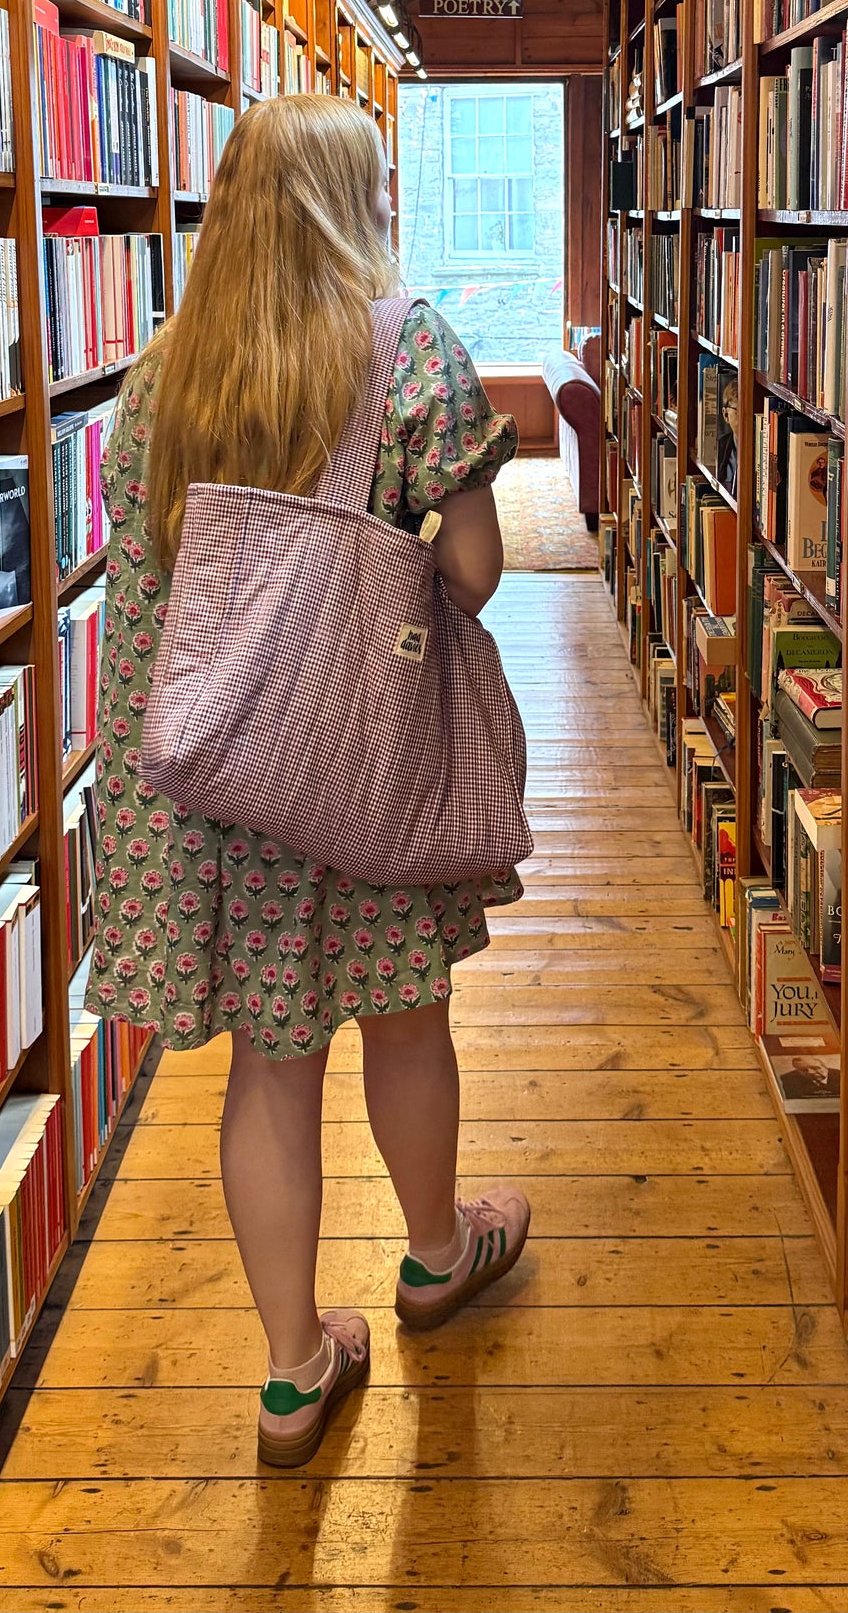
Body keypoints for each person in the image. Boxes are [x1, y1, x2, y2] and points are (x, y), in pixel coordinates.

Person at [89, 93, 530, 1468]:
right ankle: (434, 1256)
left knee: (270, 1075)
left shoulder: (163, 372)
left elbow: (149, 591)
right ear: (358, 204)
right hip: (361, 769)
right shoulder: (411, 352)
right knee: (404, 1021)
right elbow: (468, 575)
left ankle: (292, 1374)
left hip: (215, 787)